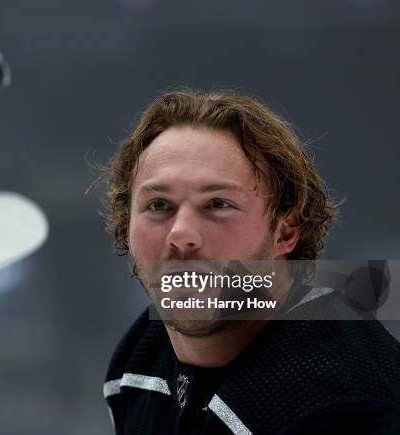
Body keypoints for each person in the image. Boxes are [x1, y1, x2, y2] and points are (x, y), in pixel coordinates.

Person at [97, 89, 400, 434]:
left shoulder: (346, 403)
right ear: (126, 226)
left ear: (285, 233)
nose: (180, 234)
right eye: (158, 205)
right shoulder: (140, 356)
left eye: (218, 205)